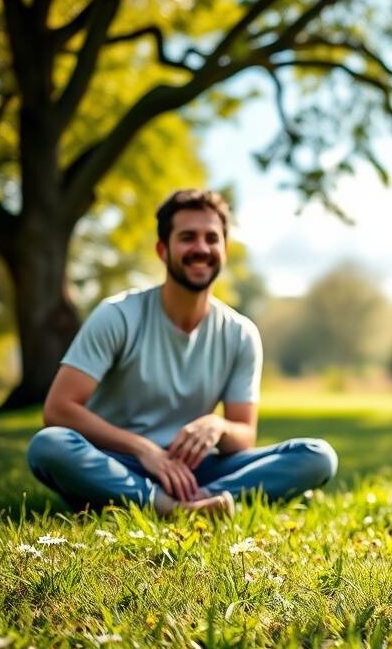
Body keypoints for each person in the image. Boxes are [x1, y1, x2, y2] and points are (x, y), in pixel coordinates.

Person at [27, 189, 337, 515]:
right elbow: (59, 409)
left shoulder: (240, 334)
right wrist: (143, 448)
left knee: (317, 455)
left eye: (211, 238)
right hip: (118, 464)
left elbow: (243, 435)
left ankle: (200, 500)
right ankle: (170, 506)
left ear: (224, 250)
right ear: (163, 250)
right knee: (48, 446)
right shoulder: (118, 315)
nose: (201, 248)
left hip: (194, 471)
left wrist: (218, 427)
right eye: (188, 237)